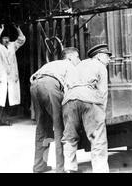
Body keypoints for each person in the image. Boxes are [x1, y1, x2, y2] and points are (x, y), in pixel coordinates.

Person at [61, 44, 112, 173]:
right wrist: (102, 114)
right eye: (108, 56)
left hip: (69, 99)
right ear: (99, 56)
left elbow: (66, 85)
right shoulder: (100, 66)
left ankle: (69, 168)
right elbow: (103, 92)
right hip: (90, 99)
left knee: (70, 137)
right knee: (97, 138)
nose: (110, 60)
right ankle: (100, 170)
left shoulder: (79, 65)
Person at [30, 47, 81, 173]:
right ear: (70, 58)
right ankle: (61, 168)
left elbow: (33, 78)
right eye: (77, 57)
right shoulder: (69, 66)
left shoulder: (51, 64)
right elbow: (72, 91)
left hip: (35, 85)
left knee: (42, 127)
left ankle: (39, 166)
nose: (79, 61)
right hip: (50, 86)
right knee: (59, 127)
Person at [0, 23, 26, 128]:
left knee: (7, 99)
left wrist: (18, 29)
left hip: (10, 77)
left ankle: (4, 119)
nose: (6, 40)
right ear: (1, 39)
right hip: (0, 77)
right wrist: (1, 31)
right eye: (4, 38)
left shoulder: (12, 46)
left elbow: (22, 39)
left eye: (7, 38)